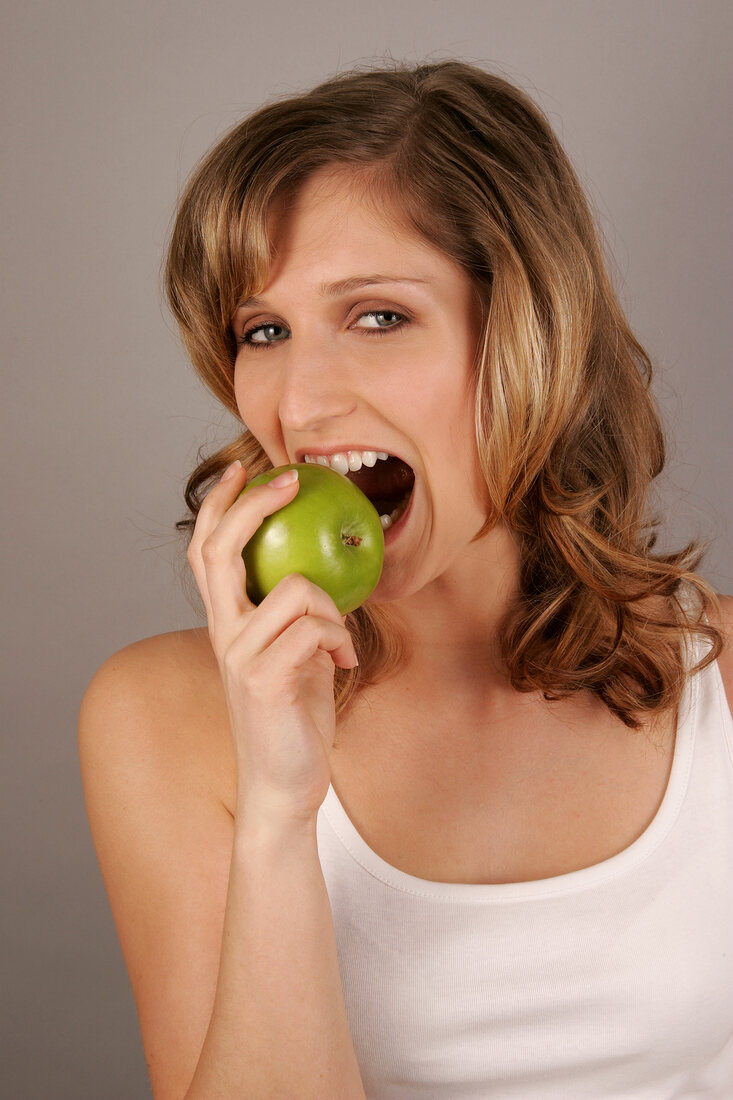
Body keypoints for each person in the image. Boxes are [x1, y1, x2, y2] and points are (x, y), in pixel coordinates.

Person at [78, 59, 733, 1099]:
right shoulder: (164, 716)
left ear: (524, 335)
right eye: (264, 331)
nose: (301, 397)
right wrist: (281, 806)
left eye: (378, 315)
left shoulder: (722, 679)